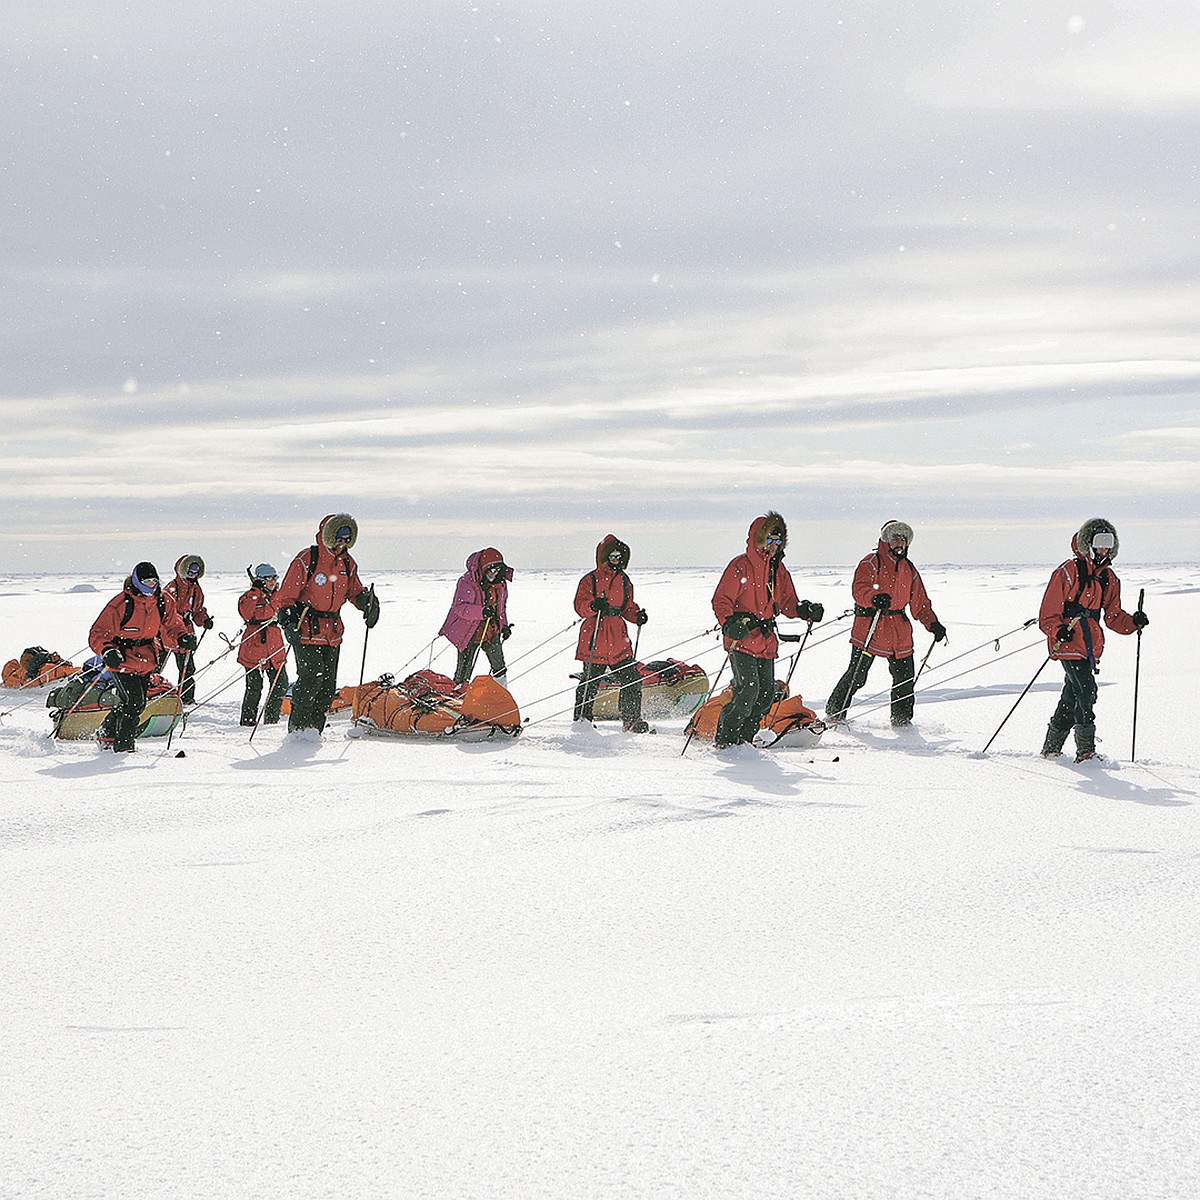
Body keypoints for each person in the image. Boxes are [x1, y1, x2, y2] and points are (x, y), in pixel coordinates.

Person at [1038, 517, 1147, 762]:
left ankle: (1051, 748)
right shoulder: (1067, 571)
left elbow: (1113, 616)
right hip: (1066, 643)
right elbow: (1047, 614)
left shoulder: (1108, 578)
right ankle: (1085, 753)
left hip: (1089, 646)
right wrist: (1058, 630)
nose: (1104, 549)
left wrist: (1134, 622)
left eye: (1109, 543)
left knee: (1073, 694)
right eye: (1099, 542)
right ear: (1088, 543)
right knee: (1086, 691)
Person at [711, 511, 822, 748]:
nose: (773, 546)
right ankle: (726, 741)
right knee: (747, 693)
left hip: (766, 641)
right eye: (769, 540)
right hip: (741, 639)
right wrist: (729, 623)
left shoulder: (778, 570)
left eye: (778, 541)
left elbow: (789, 602)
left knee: (764, 697)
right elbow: (721, 600)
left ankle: (744, 741)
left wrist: (805, 610)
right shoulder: (740, 565)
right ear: (758, 539)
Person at [825, 520, 946, 728]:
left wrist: (932, 623)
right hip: (870, 629)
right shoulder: (870, 562)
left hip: (899, 631)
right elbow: (859, 589)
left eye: (903, 539)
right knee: (857, 675)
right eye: (895, 538)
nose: (899, 543)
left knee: (904, 679)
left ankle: (902, 721)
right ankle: (835, 713)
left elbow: (920, 603)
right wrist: (874, 597)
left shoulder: (910, 569)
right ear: (886, 541)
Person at [274, 514, 379, 735]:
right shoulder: (307, 558)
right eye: (339, 537)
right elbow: (285, 597)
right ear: (328, 535)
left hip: (332, 632)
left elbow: (355, 591)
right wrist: (289, 622)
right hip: (306, 629)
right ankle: (299, 730)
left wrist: (367, 603)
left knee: (327, 686)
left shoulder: (348, 564)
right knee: (311, 678)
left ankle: (314, 731)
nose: (343, 542)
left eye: (348, 538)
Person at [88, 561, 191, 751]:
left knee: (135, 703)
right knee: (134, 702)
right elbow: (98, 633)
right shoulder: (121, 604)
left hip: (147, 659)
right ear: (136, 581)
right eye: (147, 582)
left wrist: (182, 637)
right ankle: (124, 747)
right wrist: (107, 651)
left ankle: (106, 732)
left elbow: (172, 623)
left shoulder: (162, 600)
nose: (151, 586)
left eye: (154, 581)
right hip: (122, 659)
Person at [572, 534, 651, 732]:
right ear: (604, 557)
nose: (617, 560)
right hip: (595, 636)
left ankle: (631, 719)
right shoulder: (590, 580)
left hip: (617, 638)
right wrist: (593, 605)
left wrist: (637, 616)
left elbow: (628, 607)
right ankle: (583, 722)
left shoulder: (624, 581)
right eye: (613, 556)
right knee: (589, 682)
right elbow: (580, 606)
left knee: (632, 678)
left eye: (619, 556)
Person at [439, 548, 513, 688]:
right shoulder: (467, 582)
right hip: (468, 632)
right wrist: (482, 612)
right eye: (492, 569)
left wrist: (504, 626)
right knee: (463, 673)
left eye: (498, 569)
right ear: (484, 568)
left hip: (491, 630)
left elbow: (501, 608)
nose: (495, 572)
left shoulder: (501, 584)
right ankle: (457, 698)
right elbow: (460, 608)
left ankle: (500, 696)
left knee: (500, 668)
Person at [237, 563, 289, 727]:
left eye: (275, 577)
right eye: (268, 578)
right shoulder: (249, 597)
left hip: (275, 647)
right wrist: (256, 591)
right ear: (260, 580)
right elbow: (246, 613)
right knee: (254, 687)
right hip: (254, 646)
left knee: (280, 684)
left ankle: (271, 719)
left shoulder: (280, 595)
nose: (273, 581)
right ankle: (247, 721)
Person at [163, 553, 213, 705]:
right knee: (156, 666)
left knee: (188, 668)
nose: (193, 575)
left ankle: (186, 699)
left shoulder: (196, 589)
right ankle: (148, 694)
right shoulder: (172, 588)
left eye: (196, 572)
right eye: (190, 572)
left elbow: (197, 610)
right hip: (167, 632)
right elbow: (166, 612)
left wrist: (204, 620)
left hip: (186, 632)